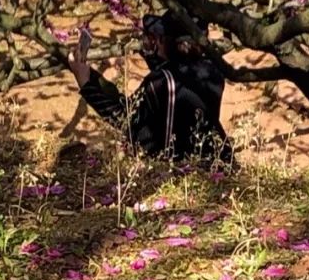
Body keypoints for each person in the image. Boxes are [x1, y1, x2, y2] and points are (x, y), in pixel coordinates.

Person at [67, 12, 234, 169]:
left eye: (158, 40)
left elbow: (125, 118)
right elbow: (176, 69)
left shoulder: (162, 81)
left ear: (165, 42)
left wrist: (84, 82)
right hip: (216, 166)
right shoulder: (213, 72)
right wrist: (92, 76)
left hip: (175, 173)